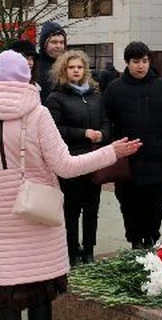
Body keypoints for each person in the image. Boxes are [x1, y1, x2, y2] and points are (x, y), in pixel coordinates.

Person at [0, 51, 141, 320]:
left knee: (8, 287)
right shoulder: (38, 114)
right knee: (40, 290)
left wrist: (0, 178)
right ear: (26, 77)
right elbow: (65, 167)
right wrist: (111, 152)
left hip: (1, 217)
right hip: (39, 214)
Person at [103, 41, 162, 249]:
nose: (141, 66)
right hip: (128, 162)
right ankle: (135, 241)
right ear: (127, 63)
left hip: (157, 159)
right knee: (129, 205)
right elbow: (105, 122)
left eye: (144, 61)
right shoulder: (114, 89)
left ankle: (151, 238)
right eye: (136, 61)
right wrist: (115, 149)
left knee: (156, 204)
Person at [46, 50, 110, 265]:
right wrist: (82, 133)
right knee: (72, 210)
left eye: (80, 67)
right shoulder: (56, 97)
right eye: (72, 67)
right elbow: (54, 129)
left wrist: (103, 133)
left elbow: (105, 122)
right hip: (71, 160)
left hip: (94, 159)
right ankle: (72, 251)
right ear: (64, 70)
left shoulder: (94, 94)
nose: (76, 71)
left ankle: (89, 250)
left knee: (92, 208)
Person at [35, 22, 67, 102]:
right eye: (54, 42)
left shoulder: (69, 65)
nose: (58, 46)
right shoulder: (34, 66)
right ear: (44, 44)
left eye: (62, 42)